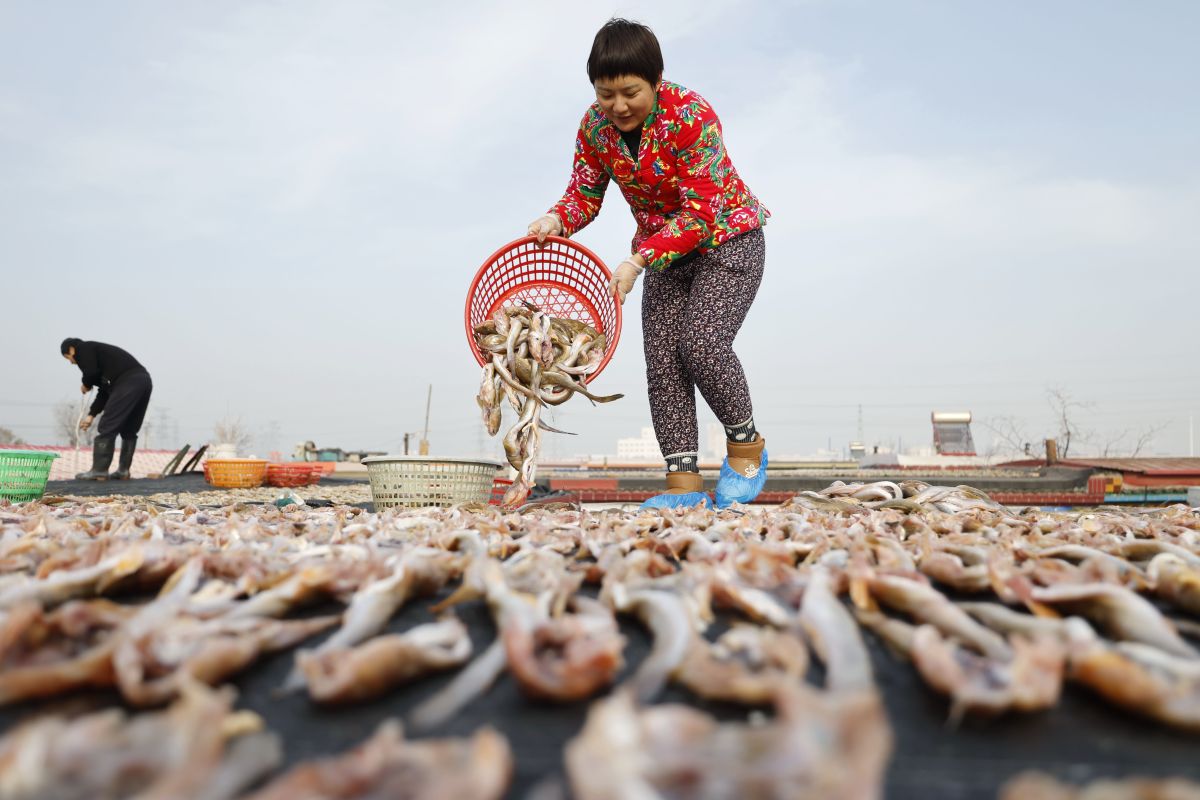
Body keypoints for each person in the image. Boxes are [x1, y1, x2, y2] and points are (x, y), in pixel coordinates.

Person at [527, 18, 770, 509]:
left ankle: (747, 447)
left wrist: (638, 259)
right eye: (605, 93)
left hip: (727, 239)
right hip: (661, 254)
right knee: (662, 364)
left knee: (700, 342)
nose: (618, 106)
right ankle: (684, 488)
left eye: (630, 92)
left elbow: (701, 212)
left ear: (656, 82)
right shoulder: (594, 128)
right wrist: (557, 217)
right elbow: (585, 193)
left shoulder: (692, 115)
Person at [60, 338, 153, 481]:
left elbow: (90, 373)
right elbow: (104, 392)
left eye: (68, 358)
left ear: (71, 350)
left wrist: (86, 384)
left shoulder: (84, 348)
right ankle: (123, 471)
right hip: (143, 381)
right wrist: (91, 415)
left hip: (128, 382)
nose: (72, 362)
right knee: (129, 429)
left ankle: (99, 470)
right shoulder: (105, 365)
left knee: (107, 424)